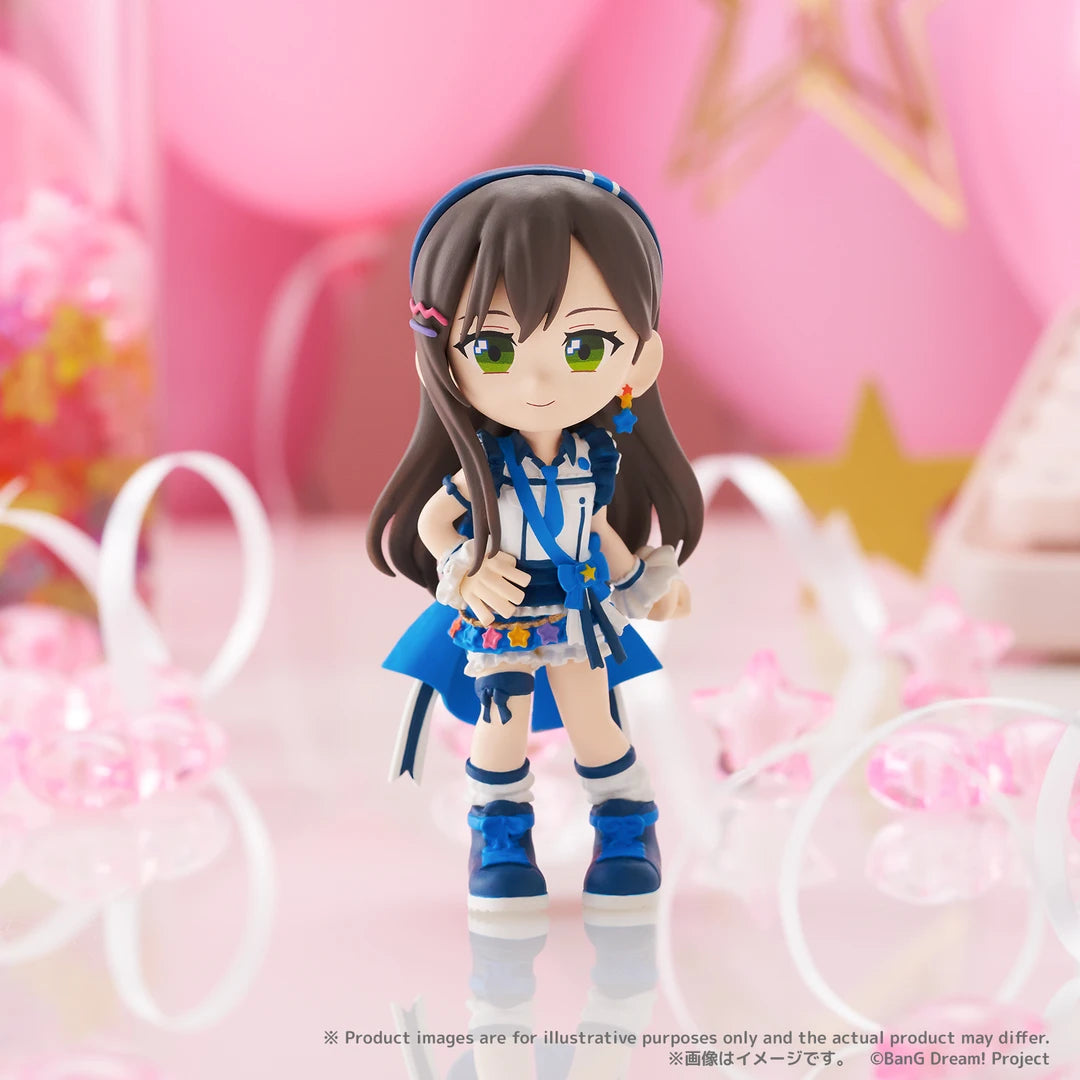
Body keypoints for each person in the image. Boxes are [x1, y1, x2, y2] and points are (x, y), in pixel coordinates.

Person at [367, 166, 703, 911]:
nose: (538, 380)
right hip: (505, 614)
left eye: (585, 346)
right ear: (440, 359)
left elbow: (602, 537)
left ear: (640, 359)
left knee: (595, 723)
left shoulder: (594, 461)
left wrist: (648, 583)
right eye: (492, 348)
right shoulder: (487, 469)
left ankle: (626, 830)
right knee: (500, 731)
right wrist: (465, 570)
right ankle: (500, 840)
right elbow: (433, 521)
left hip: (580, 613)